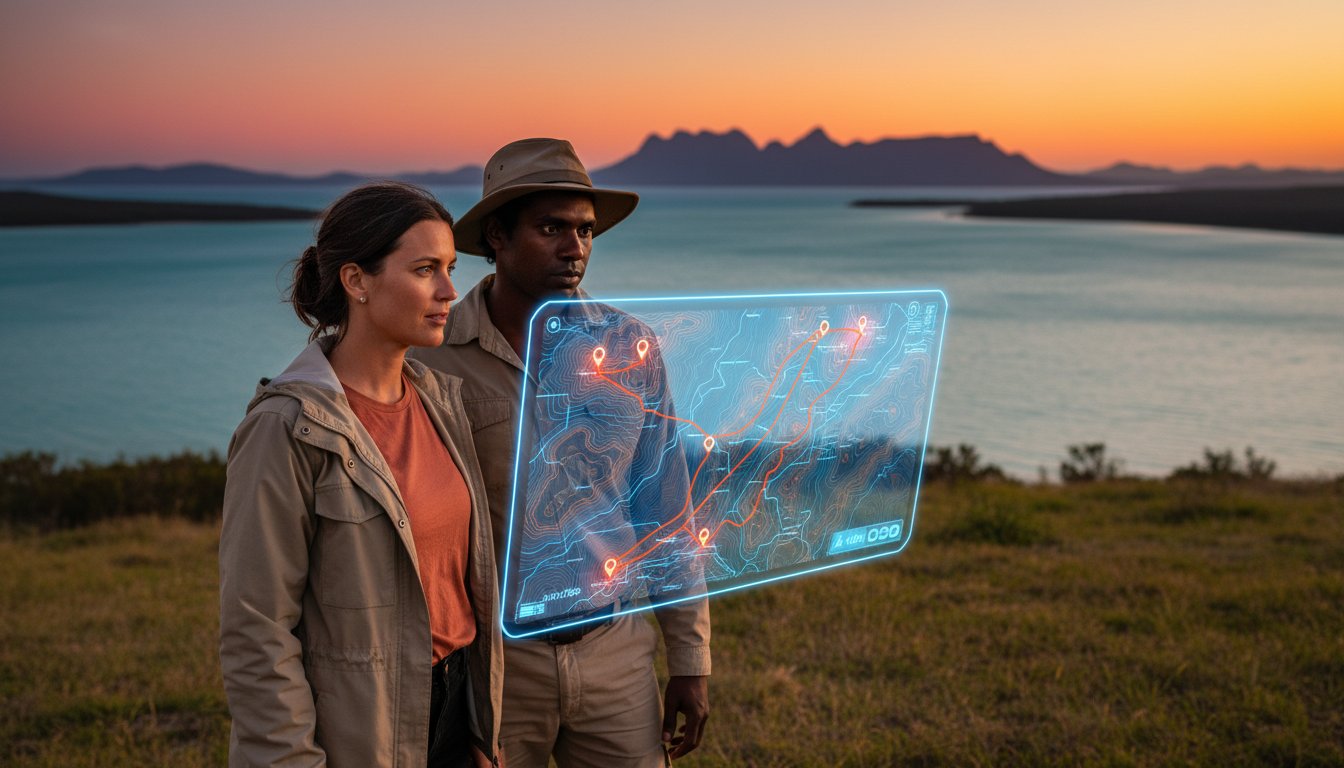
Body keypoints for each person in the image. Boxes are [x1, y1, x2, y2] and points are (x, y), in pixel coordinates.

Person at [412, 138, 711, 767]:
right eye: (551, 227)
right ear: (497, 234)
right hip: (495, 664)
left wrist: (689, 659)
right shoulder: (430, 358)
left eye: (585, 230)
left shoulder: (631, 346)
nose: (574, 248)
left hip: (615, 651)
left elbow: (665, 507)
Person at [219, 182, 503, 767]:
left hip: (453, 709)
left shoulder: (441, 403)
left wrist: (477, 725)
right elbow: (256, 632)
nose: (451, 291)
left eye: (451, 268)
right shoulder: (288, 428)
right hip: (362, 727)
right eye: (425, 269)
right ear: (357, 281)